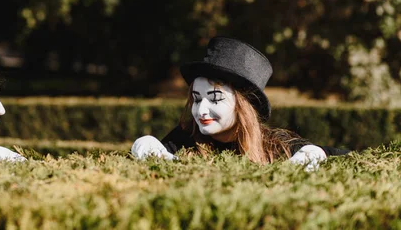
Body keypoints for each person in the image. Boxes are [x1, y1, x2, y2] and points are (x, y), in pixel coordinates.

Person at [131, 37, 348, 169]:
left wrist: (312, 154)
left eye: (215, 98)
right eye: (196, 99)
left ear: (243, 105)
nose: (201, 110)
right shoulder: (184, 138)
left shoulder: (275, 145)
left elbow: (340, 156)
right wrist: (146, 145)